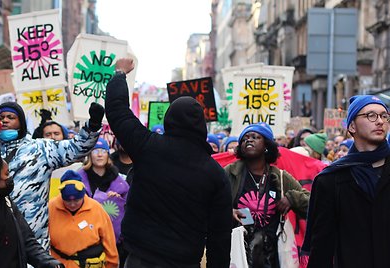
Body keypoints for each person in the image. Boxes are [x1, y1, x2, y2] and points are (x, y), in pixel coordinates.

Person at [105, 58, 232, 267]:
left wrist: (119, 74)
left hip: (140, 257)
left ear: (169, 119)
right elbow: (220, 235)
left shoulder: (147, 147)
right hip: (183, 261)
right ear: (202, 126)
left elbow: (117, 111)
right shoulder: (215, 174)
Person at [0, 101, 103, 250]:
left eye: (10, 117)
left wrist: (93, 126)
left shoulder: (41, 148)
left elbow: (76, 148)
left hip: (34, 243)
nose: (4, 120)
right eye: (0, 117)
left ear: (21, 123)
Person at [304, 95, 390, 267]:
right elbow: (321, 245)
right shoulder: (330, 180)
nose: (379, 121)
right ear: (352, 126)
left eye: (384, 116)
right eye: (371, 115)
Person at [223, 122, 310, 267]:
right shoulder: (230, 173)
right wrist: (228, 212)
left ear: (266, 146)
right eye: (245, 138)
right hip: (237, 254)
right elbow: (211, 204)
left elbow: (312, 203)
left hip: (272, 256)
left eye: (255, 137)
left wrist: (292, 198)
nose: (248, 140)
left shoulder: (280, 177)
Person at [49, 170, 118, 268]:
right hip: (60, 263)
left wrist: (112, 264)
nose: (72, 204)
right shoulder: (50, 208)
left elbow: (109, 241)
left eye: (76, 200)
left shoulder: (96, 208)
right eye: (67, 201)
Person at [77, 137, 129, 265]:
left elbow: (128, 207)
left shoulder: (120, 181)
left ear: (108, 154)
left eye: (103, 151)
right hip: (85, 237)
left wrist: (118, 199)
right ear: (89, 154)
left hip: (113, 239)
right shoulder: (79, 177)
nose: (99, 154)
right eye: (95, 151)